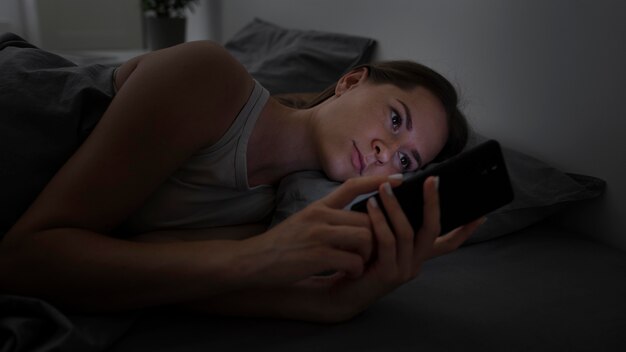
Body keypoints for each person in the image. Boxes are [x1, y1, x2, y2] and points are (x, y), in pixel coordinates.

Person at [0, 35, 485, 323]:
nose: (387, 153)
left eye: (406, 164)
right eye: (395, 120)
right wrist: (258, 258)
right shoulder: (209, 78)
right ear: (351, 82)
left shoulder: (270, 217)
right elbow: (25, 257)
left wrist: (345, 298)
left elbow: (146, 274)